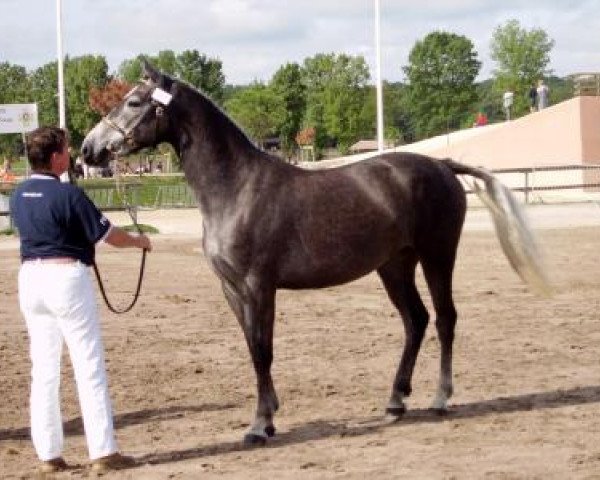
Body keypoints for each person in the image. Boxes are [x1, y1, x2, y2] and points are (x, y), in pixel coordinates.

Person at [9, 127, 152, 474]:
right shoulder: (68, 195)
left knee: (43, 370)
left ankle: (49, 454)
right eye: (65, 150)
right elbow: (109, 235)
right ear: (56, 156)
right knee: (89, 366)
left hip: (31, 277)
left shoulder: (18, 194)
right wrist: (138, 242)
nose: (69, 155)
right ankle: (103, 450)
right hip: (65, 279)